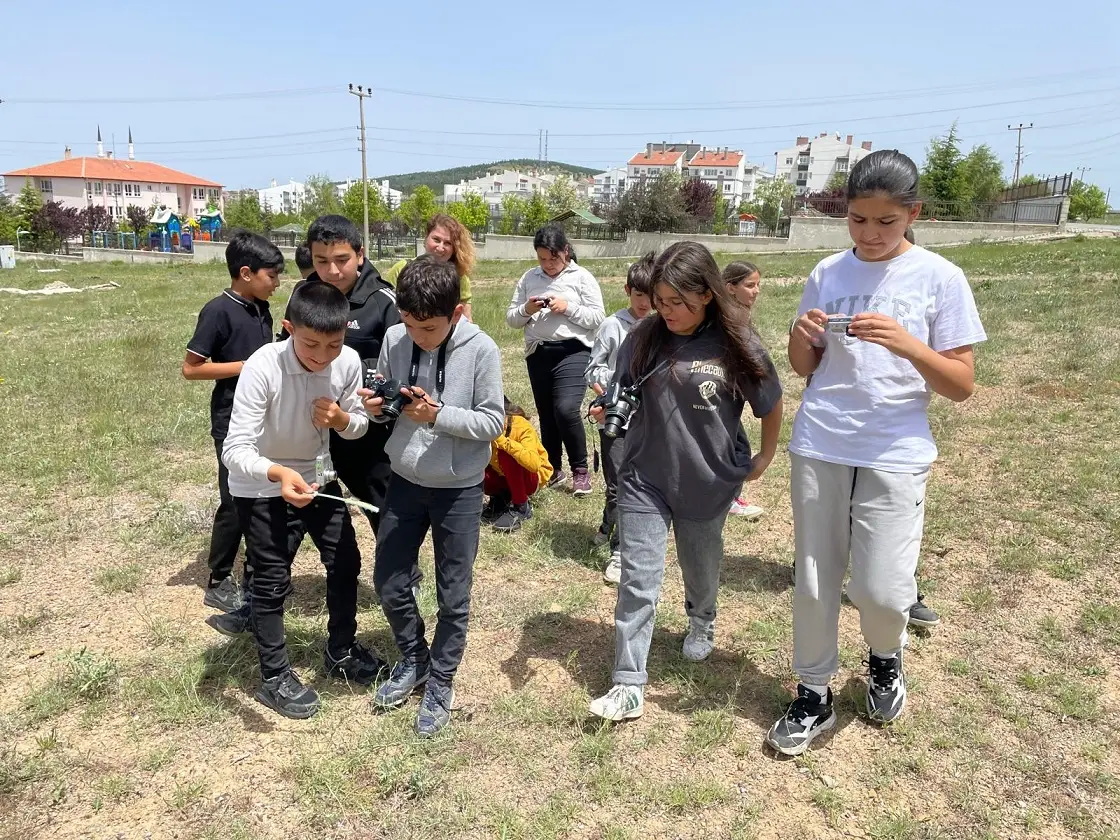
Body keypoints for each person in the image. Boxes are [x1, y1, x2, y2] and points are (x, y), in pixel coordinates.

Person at [766, 150, 986, 756]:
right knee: (814, 578)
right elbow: (804, 367)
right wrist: (802, 336)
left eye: (886, 222)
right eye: (858, 220)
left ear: (913, 214)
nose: (870, 234)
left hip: (896, 448)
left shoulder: (940, 277)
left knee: (884, 591)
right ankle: (813, 690)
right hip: (822, 440)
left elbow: (961, 385)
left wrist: (910, 345)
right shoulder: (829, 271)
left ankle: (885, 657)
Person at [588, 242, 784, 722]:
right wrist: (607, 408)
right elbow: (620, 391)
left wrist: (765, 455)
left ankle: (702, 619)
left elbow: (770, 401)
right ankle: (628, 682)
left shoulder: (737, 342)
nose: (667, 311)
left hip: (706, 477)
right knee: (638, 578)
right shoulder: (643, 337)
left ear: (708, 295)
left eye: (679, 302)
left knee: (700, 565)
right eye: (661, 300)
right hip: (644, 476)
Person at [220, 281, 388, 719]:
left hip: (317, 478)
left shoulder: (346, 362)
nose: (321, 356)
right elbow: (234, 451)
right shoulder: (263, 367)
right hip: (261, 482)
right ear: (288, 328)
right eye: (311, 344)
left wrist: (341, 418)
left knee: (346, 560)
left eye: (333, 344)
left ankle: (341, 649)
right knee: (272, 577)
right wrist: (277, 474)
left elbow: (357, 428)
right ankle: (274, 676)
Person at [361, 256, 503, 736]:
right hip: (404, 477)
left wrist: (438, 415)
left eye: (428, 327)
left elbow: (492, 423)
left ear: (457, 313)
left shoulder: (481, 349)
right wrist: (380, 408)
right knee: (388, 579)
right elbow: (389, 404)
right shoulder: (395, 338)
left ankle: (441, 681)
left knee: (452, 594)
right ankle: (414, 658)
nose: (417, 335)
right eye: (409, 322)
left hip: (459, 488)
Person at [183, 231, 282, 614]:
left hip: (263, 415)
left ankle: (256, 574)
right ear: (245, 273)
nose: (276, 284)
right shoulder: (218, 311)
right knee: (234, 499)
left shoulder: (261, 308)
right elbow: (191, 369)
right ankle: (219, 578)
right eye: (271, 276)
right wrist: (246, 367)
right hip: (231, 419)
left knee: (262, 495)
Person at [292, 215, 400, 538]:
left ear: (360, 255)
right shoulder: (303, 295)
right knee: (303, 506)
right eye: (321, 261)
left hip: (366, 431)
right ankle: (273, 577)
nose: (332, 271)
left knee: (382, 504)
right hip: (312, 427)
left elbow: (402, 364)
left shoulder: (383, 302)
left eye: (342, 260)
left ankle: (399, 576)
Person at [506, 225, 605, 496]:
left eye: (553, 258)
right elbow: (512, 319)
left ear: (566, 252)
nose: (548, 265)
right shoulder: (529, 277)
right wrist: (527, 309)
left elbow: (597, 318)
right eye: (542, 259)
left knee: (566, 409)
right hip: (538, 352)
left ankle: (580, 471)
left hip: (573, 351)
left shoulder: (582, 277)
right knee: (548, 415)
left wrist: (567, 307)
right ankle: (552, 468)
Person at [585, 252, 655, 584]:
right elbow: (594, 367)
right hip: (615, 418)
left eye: (651, 296)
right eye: (639, 294)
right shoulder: (613, 326)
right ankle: (610, 531)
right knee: (616, 483)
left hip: (649, 421)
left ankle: (618, 545)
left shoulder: (662, 327)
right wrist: (606, 391)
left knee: (633, 484)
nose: (645, 303)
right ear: (628, 290)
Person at [722, 261, 766, 521]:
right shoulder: (729, 320)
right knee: (738, 451)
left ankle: (729, 497)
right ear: (730, 288)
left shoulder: (740, 316)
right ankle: (727, 498)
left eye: (758, 284)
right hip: (723, 398)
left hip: (734, 398)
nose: (756, 291)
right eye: (750, 285)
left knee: (738, 448)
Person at [382, 214, 475, 320]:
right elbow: (386, 310)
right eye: (436, 239)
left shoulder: (460, 275)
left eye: (447, 243)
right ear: (426, 238)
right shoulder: (401, 268)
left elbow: (466, 319)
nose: (440, 247)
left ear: (454, 248)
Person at [483, 397, 553, 533]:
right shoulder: (483, 426)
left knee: (506, 453)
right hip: (503, 474)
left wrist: (502, 441)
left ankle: (521, 507)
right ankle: (500, 499)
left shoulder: (520, 425)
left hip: (530, 479)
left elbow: (533, 464)